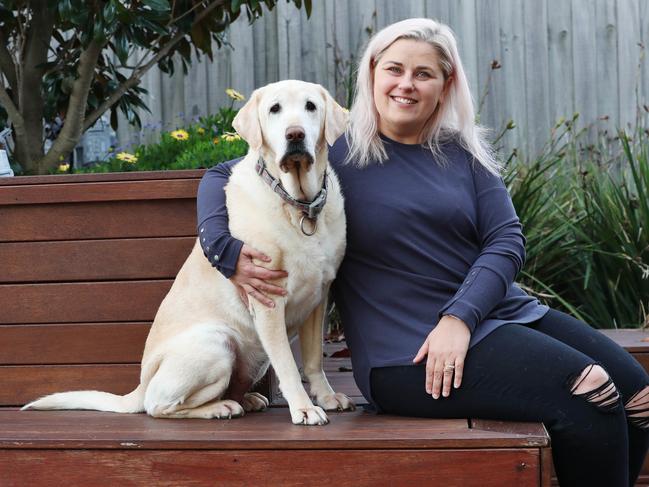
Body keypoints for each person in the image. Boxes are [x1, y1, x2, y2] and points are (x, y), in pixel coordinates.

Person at [196, 18, 649, 487]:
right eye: (394, 69)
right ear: (371, 73)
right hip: (404, 350)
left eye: (423, 74)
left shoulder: (464, 152)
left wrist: (460, 316)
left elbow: (507, 239)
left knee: (640, 397)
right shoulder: (337, 152)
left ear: (445, 84)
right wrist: (224, 252)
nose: (405, 85)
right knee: (589, 389)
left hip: (493, 316)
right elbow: (219, 175)